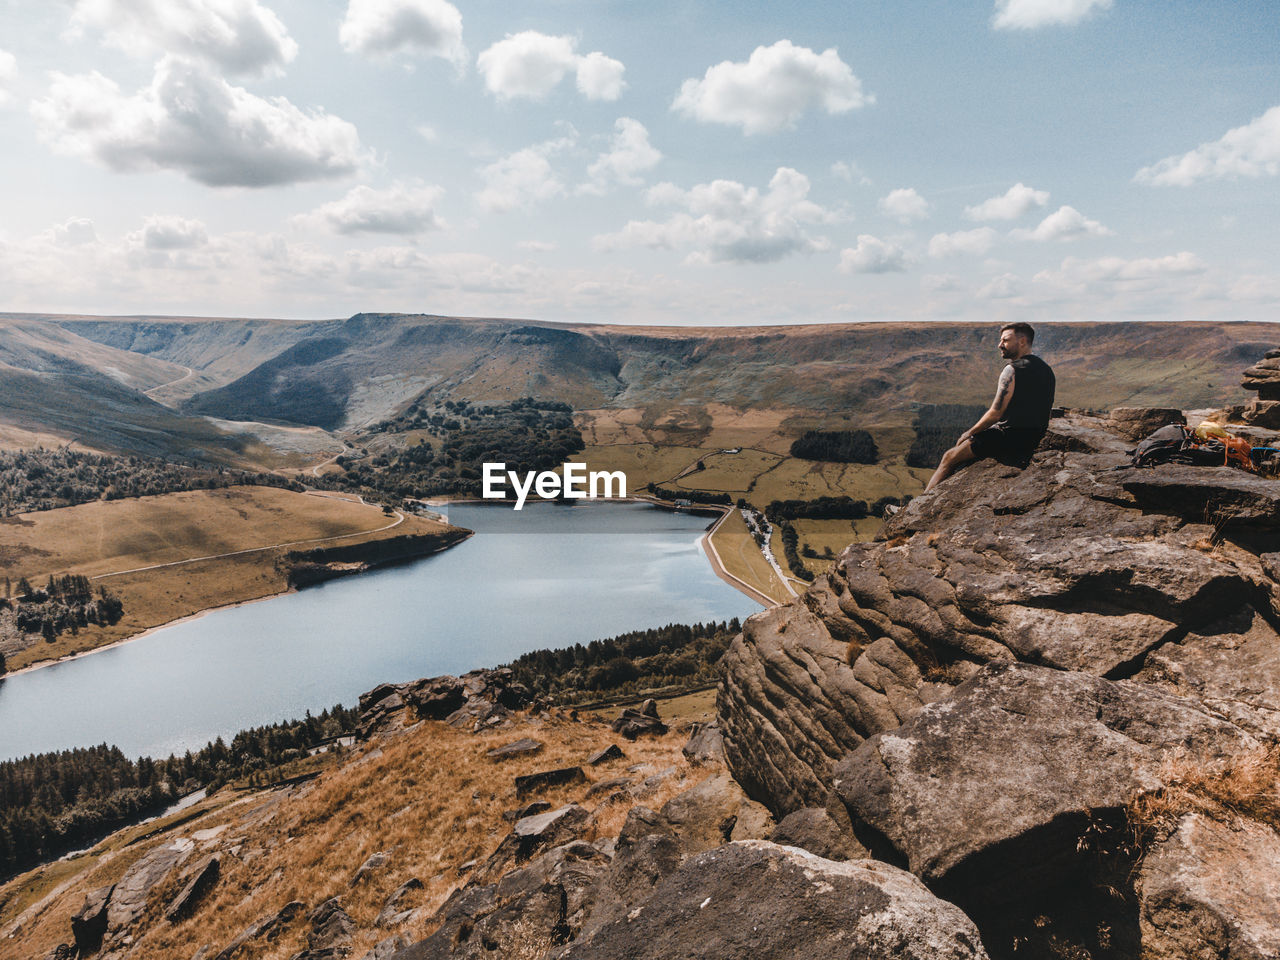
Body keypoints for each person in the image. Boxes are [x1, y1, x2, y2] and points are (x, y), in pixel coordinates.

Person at [924, 322, 1055, 492]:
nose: (1000, 345)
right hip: (1034, 437)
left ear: (1022, 341)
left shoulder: (1012, 370)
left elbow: (995, 413)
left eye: (1005, 340)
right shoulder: (1046, 369)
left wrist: (969, 433)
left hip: (1010, 437)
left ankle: (919, 505)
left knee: (949, 457)